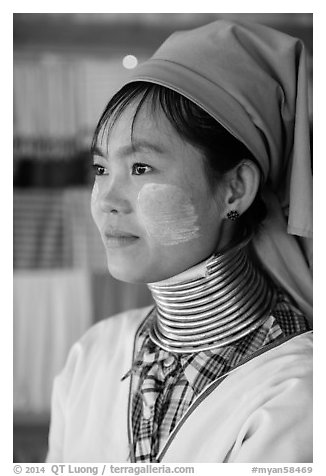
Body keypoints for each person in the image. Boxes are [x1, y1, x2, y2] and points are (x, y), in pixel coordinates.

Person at [46, 19, 313, 463]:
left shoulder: (297, 391)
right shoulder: (91, 355)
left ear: (235, 190)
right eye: (100, 169)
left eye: (140, 168)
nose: (107, 200)